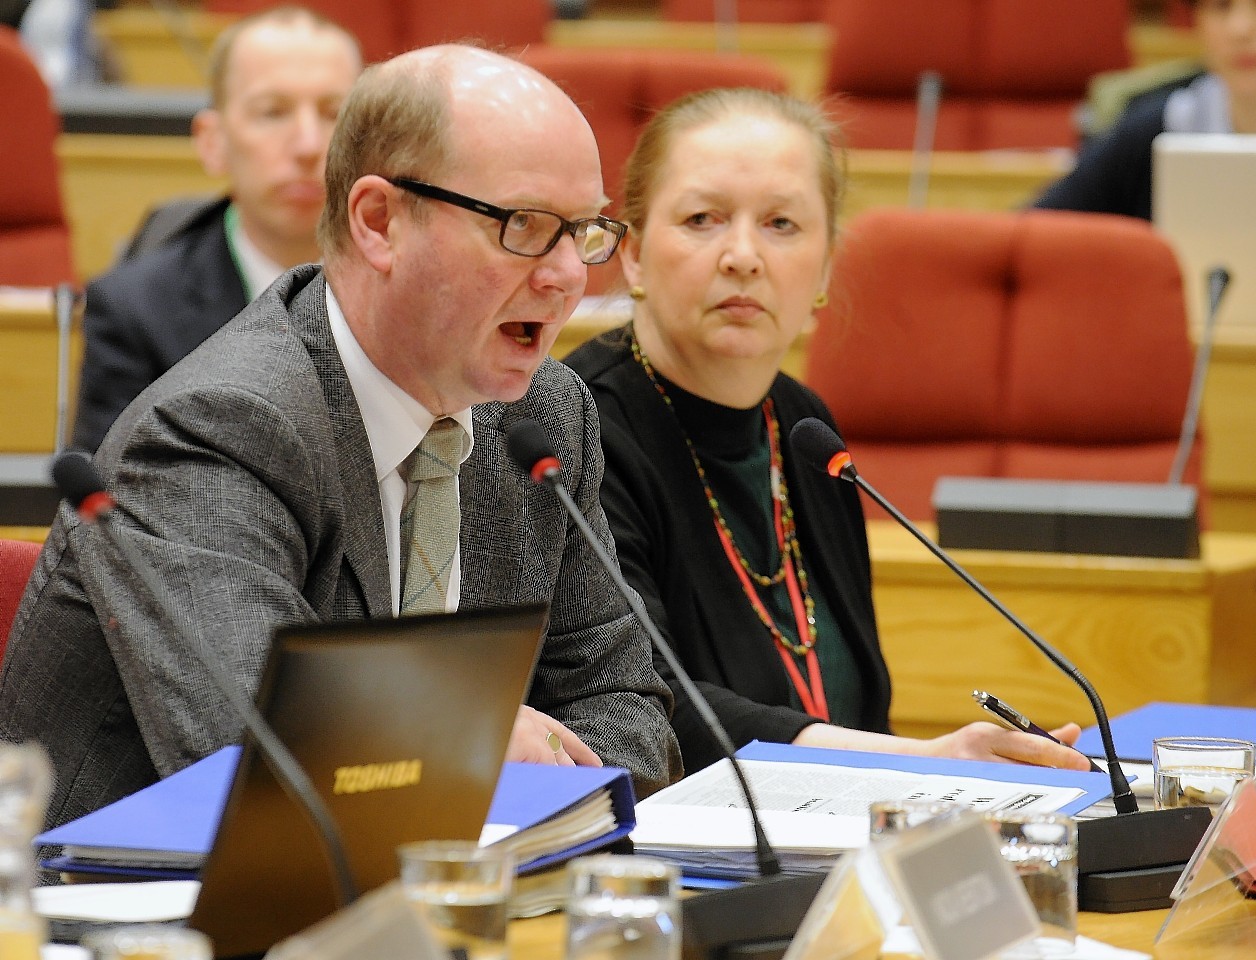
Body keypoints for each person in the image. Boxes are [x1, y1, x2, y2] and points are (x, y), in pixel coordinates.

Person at [1, 43, 681, 831]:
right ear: (379, 221)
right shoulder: (220, 427)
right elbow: (260, 748)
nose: (568, 274)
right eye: (525, 227)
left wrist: (516, 805)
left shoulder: (544, 418)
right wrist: (477, 734)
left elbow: (627, 703)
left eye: (585, 231)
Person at [565, 88, 1094, 775]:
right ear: (631, 254)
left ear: (823, 268)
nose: (743, 256)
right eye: (703, 219)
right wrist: (923, 762)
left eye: (782, 224)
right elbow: (648, 706)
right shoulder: (582, 427)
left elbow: (859, 707)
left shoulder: (805, 429)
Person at [70, 6, 363, 453]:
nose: (308, 145)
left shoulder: (418, 293)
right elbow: (106, 508)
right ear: (213, 142)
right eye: (272, 112)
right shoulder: (135, 310)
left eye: (333, 114)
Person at [1033, 0, 1256, 220]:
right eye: (1221, 6)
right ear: (1198, 22)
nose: (1241, 29)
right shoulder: (1151, 131)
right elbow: (1028, 234)